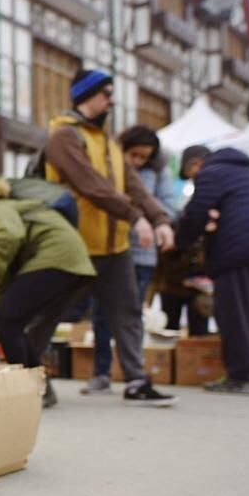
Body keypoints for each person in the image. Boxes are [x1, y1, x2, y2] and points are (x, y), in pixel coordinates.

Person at [45, 69, 177, 406]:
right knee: (50, 312)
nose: (112, 100)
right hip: (74, 243)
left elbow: (134, 186)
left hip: (113, 246)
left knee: (128, 312)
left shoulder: (110, 143)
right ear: (86, 96)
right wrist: (135, 217)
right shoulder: (64, 136)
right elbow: (90, 185)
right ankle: (34, 376)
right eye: (106, 93)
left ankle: (136, 380)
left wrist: (159, 218)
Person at [0, 180, 96, 407]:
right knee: (10, 320)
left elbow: (11, 235)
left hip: (56, 255)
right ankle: (37, 388)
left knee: (9, 319)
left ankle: (27, 392)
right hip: (66, 260)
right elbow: (1, 291)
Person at [87, 125, 174, 389]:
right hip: (109, 247)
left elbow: (170, 207)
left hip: (142, 253)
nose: (137, 162)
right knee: (101, 312)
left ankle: (134, 376)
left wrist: (147, 215)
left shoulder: (159, 173)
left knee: (131, 313)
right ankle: (101, 373)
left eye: (143, 157)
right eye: (133, 155)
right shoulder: (107, 166)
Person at [177, 145, 249, 394]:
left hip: (236, 250)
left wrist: (180, 241)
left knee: (234, 314)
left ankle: (240, 376)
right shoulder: (245, 171)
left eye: (191, 174)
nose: (194, 179)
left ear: (197, 163)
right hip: (245, 246)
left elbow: (196, 212)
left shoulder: (212, 172)